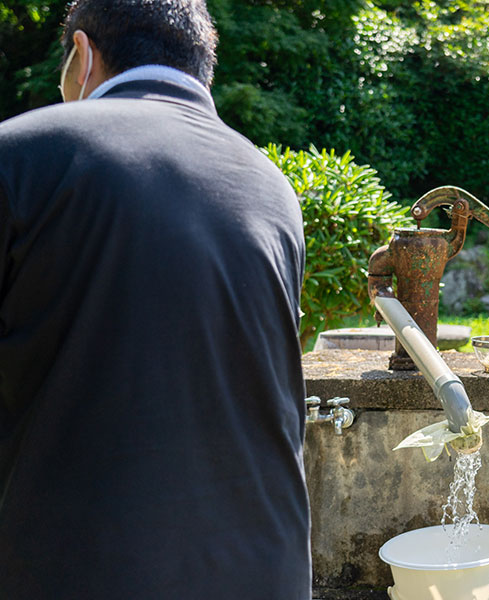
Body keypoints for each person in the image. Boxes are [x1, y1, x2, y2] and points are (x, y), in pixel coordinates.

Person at [0, 1, 311, 598]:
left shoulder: (23, 154)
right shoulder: (271, 187)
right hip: (266, 569)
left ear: (83, 55)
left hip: (77, 568)